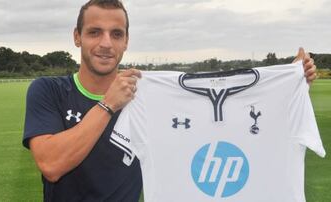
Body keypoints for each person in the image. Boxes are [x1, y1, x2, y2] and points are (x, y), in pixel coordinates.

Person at [22, 0, 317, 201]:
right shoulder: (48, 90)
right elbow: (51, 163)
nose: (105, 44)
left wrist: (284, 83)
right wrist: (108, 104)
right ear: (77, 37)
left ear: (126, 41)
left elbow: (220, 116)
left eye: (116, 34)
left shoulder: (143, 95)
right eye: (94, 32)